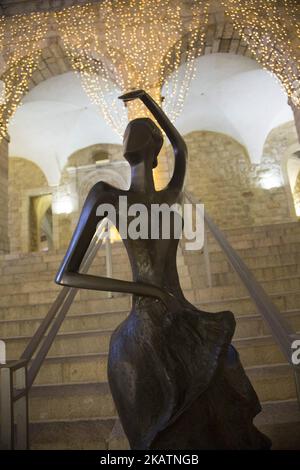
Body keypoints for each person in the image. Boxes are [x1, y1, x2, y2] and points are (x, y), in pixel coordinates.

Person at [55, 90, 271, 450]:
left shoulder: (171, 196)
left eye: (140, 131)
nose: (128, 134)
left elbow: (182, 148)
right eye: (127, 132)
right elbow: (66, 273)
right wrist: (147, 291)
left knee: (223, 370)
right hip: (146, 315)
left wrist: (147, 101)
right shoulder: (107, 195)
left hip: (181, 313)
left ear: (155, 148)